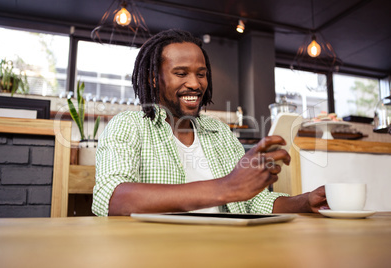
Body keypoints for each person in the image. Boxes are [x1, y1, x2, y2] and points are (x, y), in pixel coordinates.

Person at [92, 29, 327, 216]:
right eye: (181, 73)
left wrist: (304, 202)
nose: (195, 84)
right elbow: (114, 198)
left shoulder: (220, 133)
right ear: (154, 79)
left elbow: (256, 202)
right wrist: (225, 187)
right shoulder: (129, 125)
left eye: (201, 74)